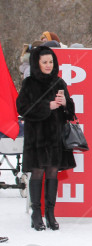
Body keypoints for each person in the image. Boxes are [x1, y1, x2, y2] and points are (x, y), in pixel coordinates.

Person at [15, 46, 76, 230]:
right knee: (37, 172)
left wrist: (66, 103)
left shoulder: (59, 82)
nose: (49, 65)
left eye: (51, 62)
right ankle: (36, 213)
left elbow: (70, 111)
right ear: (36, 63)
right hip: (37, 137)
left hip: (55, 136)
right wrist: (46, 106)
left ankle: (50, 213)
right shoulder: (29, 83)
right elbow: (22, 108)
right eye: (44, 62)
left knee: (52, 172)